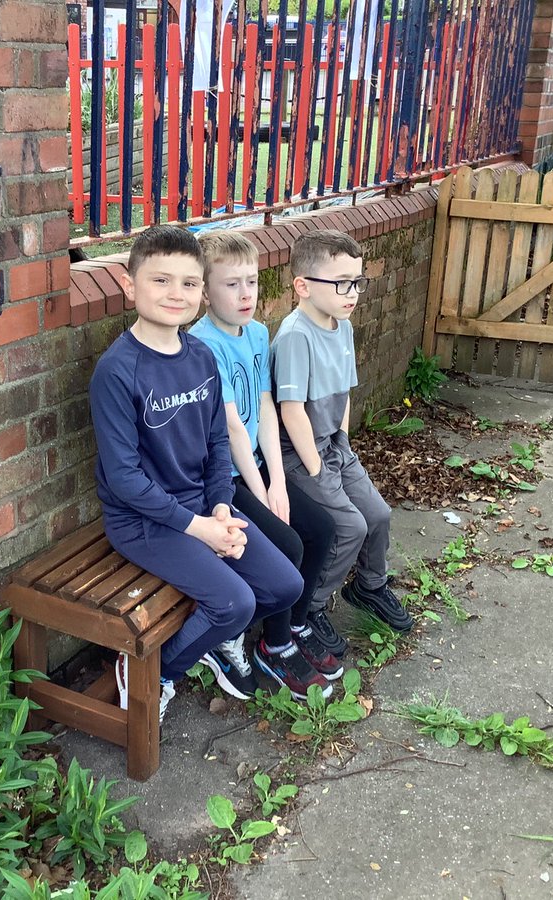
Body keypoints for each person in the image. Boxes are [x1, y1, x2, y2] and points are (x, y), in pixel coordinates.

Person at [90, 225, 303, 723]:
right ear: (130, 285)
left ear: (201, 291)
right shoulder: (117, 371)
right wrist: (201, 529)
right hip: (142, 521)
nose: (175, 294)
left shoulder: (201, 356)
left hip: (203, 508)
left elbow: (215, 446)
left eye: (188, 283)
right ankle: (157, 671)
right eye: (160, 280)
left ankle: (206, 640)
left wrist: (221, 508)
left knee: (285, 586)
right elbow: (124, 479)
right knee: (232, 602)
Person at [188, 231, 340, 701]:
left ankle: (294, 626)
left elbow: (266, 405)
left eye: (251, 281)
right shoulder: (202, 344)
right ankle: (273, 648)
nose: (245, 294)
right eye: (231, 284)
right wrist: (261, 492)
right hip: (225, 480)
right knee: (289, 543)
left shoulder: (256, 333)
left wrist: (278, 480)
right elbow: (232, 428)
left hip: (257, 467)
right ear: (206, 292)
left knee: (324, 529)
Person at [271, 229, 413, 637]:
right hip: (300, 456)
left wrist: (344, 443)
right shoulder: (296, 336)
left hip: (333, 445)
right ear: (303, 286)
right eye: (341, 283)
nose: (352, 293)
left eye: (357, 282)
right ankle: (310, 609)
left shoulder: (343, 326)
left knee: (378, 515)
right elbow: (292, 411)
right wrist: (317, 468)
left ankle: (369, 586)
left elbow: (345, 392)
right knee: (348, 527)